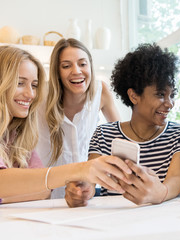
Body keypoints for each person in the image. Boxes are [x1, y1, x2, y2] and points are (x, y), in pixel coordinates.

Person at [0, 46, 132, 207]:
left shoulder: (16, 130)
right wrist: (81, 169)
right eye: (20, 83)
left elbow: (42, 191)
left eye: (34, 85)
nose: (30, 94)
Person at [65, 43, 180, 207]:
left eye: (172, 95)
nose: (170, 104)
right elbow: (91, 178)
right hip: (114, 224)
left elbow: (176, 179)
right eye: (160, 94)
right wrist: (81, 190)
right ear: (133, 96)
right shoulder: (104, 135)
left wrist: (161, 193)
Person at [35, 38, 120, 199]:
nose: (77, 71)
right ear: (57, 72)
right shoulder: (41, 95)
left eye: (82, 64)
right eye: (66, 66)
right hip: (47, 192)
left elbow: (120, 136)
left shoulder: (100, 91)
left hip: (87, 191)